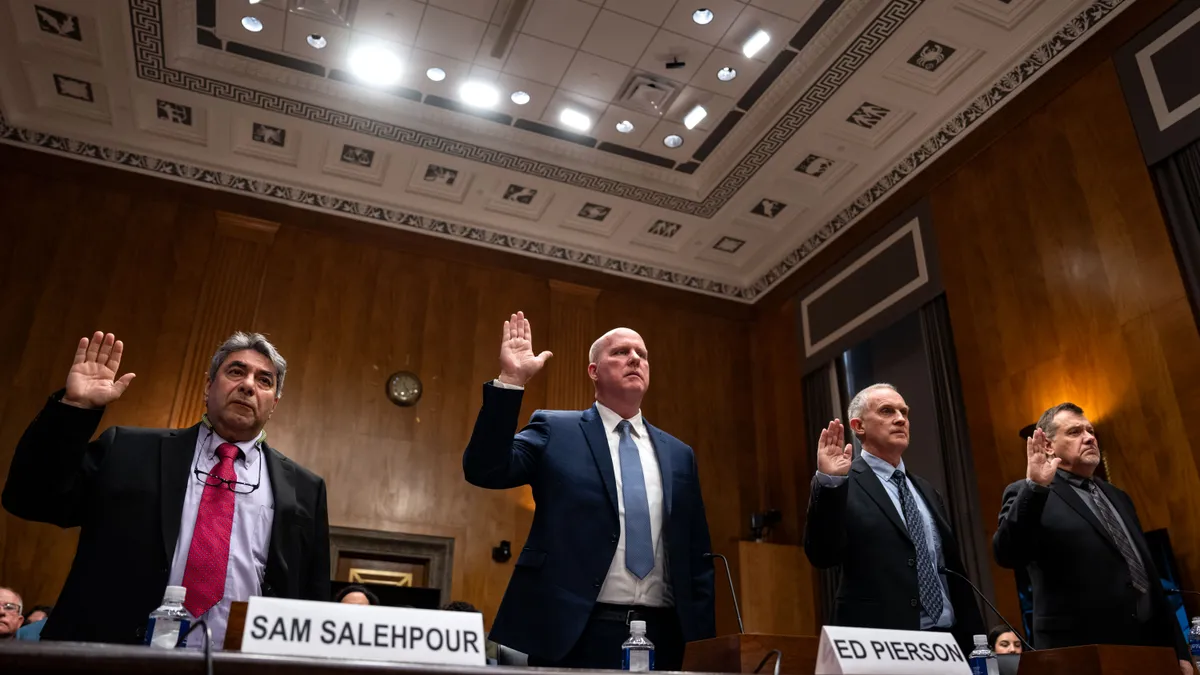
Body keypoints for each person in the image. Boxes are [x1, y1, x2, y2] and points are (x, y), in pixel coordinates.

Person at [2, 332, 331, 648]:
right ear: (208, 386)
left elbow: (312, 600)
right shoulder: (128, 451)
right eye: (236, 372)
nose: (248, 385)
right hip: (118, 658)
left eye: (264, 380)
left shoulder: (305, 489)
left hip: (241, 664)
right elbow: (32, 498)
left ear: (273, 403)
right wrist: (74, 408)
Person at [463, 312, 716, 669]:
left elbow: (698, 555)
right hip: (573, 632)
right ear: (593, 371)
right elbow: (484, 469)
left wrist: (704, 643)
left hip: (665, 635)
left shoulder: (679, 454)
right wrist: (511, 381)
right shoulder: (556, 430)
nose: (635, 359)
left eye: (642, 354)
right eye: (621, 352)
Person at [994, 402, 1191, 675]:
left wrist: (1179, 650)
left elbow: (1148, 577)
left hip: (1149, 648)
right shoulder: (1029, 493)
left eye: (1090, 430)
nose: (1089, 437)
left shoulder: (1118, 496)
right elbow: (1008, 553)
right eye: (1074, 432)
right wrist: (1034, 488)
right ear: (1048, 445)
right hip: (1081, 653)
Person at [804, 383, 984, 655]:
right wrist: (830, 483)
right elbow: (822, 554)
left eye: (904, 412)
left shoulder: (926, 490)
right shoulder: (842, 484)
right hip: (883, 644)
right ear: (859, 426)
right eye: (887, 411)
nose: (901, 419)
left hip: (949, 643)